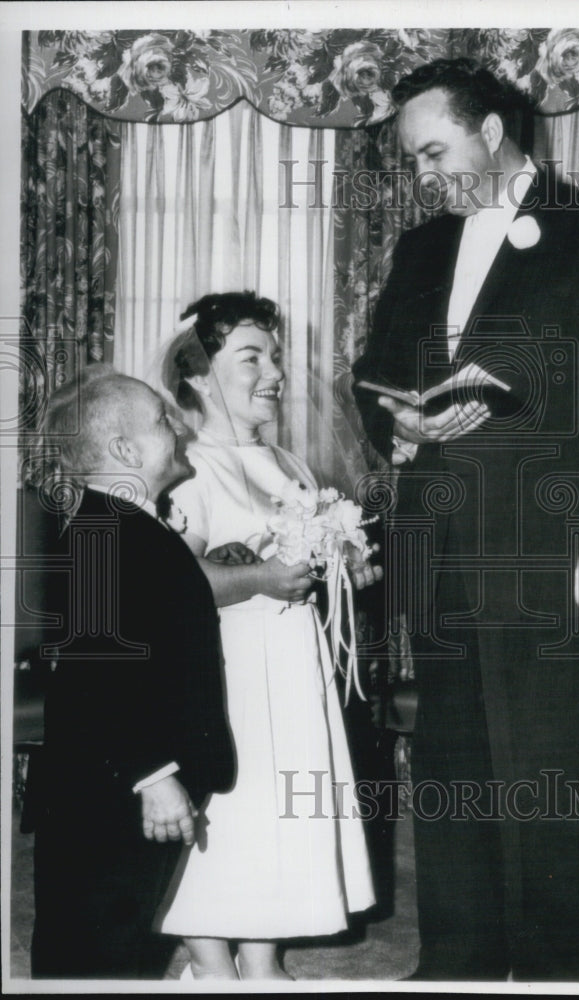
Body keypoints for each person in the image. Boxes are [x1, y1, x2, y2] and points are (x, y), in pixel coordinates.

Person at [353, 59, 579, 981]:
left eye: (434, 153)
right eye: (412, 160)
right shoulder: (423, 248)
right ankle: (456, 961)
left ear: (492, 132)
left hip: (555, 551)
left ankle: (555, 972)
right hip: (441, 546)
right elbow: (372, 373)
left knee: (552, 772)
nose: (423, 176)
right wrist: (397, 423)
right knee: (453, 766)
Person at [155, 292, 377, 980]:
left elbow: (309, 554)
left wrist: (346, 564)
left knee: (276, 808)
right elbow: (172, 583)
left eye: (275, 357)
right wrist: (259, 578)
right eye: (251, 357)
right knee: (230, 806)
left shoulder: (288, 463)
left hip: (291, 663)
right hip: (228, 671)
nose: (274, 372)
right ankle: (207, 956)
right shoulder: (190, 467)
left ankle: (261, 953)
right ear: (199, 376)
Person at [29, 369, 236, 979]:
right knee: (94, 945)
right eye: (162, 420)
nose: (181, 428)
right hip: (110, 790)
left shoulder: (130, 527)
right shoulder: (105, 535)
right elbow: (97, 676)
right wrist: (153, 773)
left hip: (110, 785)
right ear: (124, 450)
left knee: (120, 936)